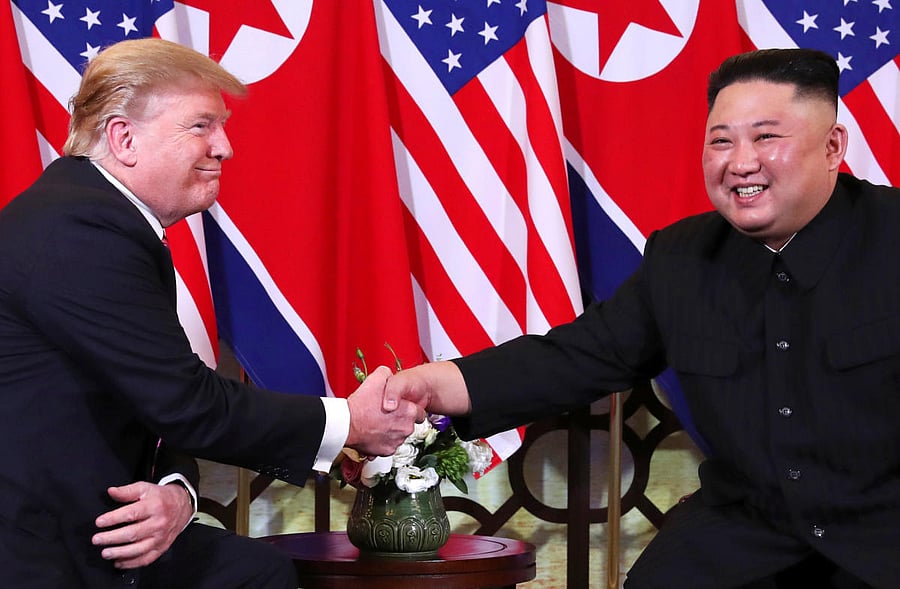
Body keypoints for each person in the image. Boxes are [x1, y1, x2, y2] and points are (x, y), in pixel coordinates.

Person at [383, 48, 900, 589]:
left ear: (833, 146)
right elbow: (574, 358)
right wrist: (432, 385)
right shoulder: (680, 259)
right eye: (721, 140)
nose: (741, 162)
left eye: (767, 137)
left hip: (883, 531)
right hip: (745, 528)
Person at [0, 38, 422, 589]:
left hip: (98, 528)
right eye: (200, 126)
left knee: (258, 573)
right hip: (42, 549)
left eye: (221, 126)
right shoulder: (80, 232)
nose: (224, 147)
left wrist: (177, 491)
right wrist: (350, 423)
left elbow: (154, 399)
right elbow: (185, 402)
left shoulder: (96, 216)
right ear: (123, 137)